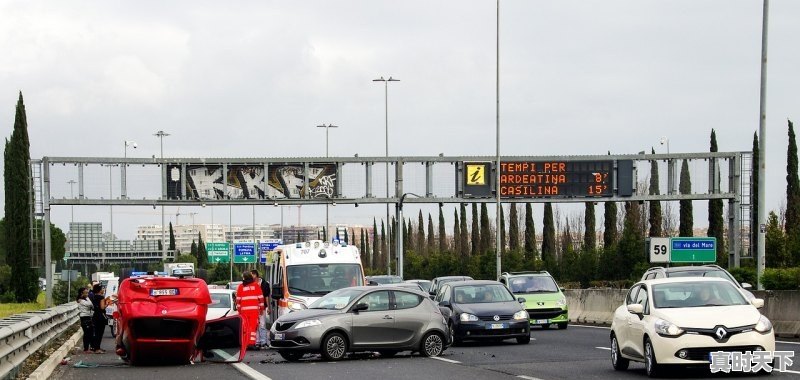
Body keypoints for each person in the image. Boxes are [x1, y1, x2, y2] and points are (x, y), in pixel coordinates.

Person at [236, 272, 264, 349]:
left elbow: (238, 300)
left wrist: (239, 310)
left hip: (244, 311)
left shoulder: (241, 286)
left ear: (244, 278)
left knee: (245, 328)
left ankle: (245, 343)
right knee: (252, 327)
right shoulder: (256, 285)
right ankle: (251, 343)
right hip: (254, 311)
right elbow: (261, 298)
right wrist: (261, 309)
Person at [250, 270, 270, 349]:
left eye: (252, 275)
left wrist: (268, 307)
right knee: (256, 325)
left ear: (255, 275)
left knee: (262, 324)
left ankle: (264, 342)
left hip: (262, 307)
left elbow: (266, 296)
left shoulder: (265, 284)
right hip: (254, 308)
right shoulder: (251, 284)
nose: (251, 277)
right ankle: (257, 342)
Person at [90, 283, 111, 353]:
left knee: (96, 332)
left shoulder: (94, 296)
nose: (103, 290)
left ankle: (95, 347)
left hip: (95, 316)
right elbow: (102, 307)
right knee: (100, 333)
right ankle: (97, 349)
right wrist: (107, 304)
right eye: (102, 289)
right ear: (99, 290)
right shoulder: (101, 297)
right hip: (100, 316)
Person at [76, 287, 94, 353]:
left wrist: (87, 297)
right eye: (86, 293)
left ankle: (90, 347)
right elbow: (89, 304)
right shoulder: (80, 300)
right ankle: (86, 349)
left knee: (90, 332)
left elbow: (91, 305)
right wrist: (87, 298)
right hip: (84, 317)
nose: (87, 294)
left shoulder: (85, 299)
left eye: (87, 293)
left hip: (88, 317)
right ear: (81, 293)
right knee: (87, 333)